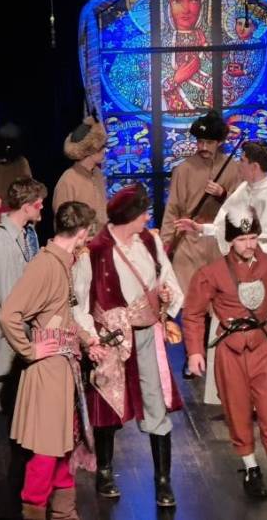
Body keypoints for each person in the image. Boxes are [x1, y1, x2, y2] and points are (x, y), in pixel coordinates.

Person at [183, 204, 267, 517]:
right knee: (237, 414)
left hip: (261, 349)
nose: (249, 244)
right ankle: (251, 469)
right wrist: (195, 351)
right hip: (230, 352)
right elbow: (193, 313)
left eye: (252, 237)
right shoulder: (212, 273)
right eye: (241, 239)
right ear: (230, 241)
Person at [72, 185, 184, 506]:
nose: (148, 218)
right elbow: (80, 302)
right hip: (112, 340)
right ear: (129, 216)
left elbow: (167, 278)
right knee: (108, 404)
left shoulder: (149, 240)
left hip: (147, 334)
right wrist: (91, 338)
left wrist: (166, 296)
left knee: (155, 403)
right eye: (143, 213)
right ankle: (105, 471)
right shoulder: (95, 250)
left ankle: (163, 481)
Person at [177, 140, 267, 414]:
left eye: (243, 161)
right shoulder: (244, 189)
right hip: (238, 277)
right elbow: (230, 226)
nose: (239, 165)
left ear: (255, 166)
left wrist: (254, 263)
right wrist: (201, 229)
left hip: (266, 283)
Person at [0, 201, 104, 520]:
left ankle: (64, 512)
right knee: (46, 450)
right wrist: (30, 351)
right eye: (88, 233)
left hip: (64, 367)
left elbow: (61, 316)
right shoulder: (45, 265)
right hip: (48, 372)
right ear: (82, 232)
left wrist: (87, 340)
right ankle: (34, 510)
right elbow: (8, 315)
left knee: (64, 446)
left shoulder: (61, 263)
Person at [0, 178, 45, 416]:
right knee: (7, 396)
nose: (42, 208)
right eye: (38, 204)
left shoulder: (28, 235)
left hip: (28, 322)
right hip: (11, 324)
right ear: (26, 207)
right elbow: (7, 293)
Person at [161, 110, 241, 294]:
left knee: (221, 299)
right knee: (190, 298)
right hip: (188, 243)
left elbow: (241, 207)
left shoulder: (233, 168)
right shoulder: (183, 170)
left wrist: (223, 194)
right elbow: (172, 209)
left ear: (219, 142)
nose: (203, 147)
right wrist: (165, 245)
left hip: (220, 241)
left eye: (209, 142)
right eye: (200, 141)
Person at [53, 116, 108, 230]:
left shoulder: (98, 174)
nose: (105, 150)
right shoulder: (68, 180)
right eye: (102, 146)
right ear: (91, 150)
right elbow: (63, 224)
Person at [162, 0, 213, 111]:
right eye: (177, 1)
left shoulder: (215, 38)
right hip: (165, 116)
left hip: (210, 116)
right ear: (167, 5)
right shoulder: (146, 42)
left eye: (193, 0)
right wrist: (174, 80)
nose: (186, 9)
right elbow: (131, 84)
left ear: (202, 4)